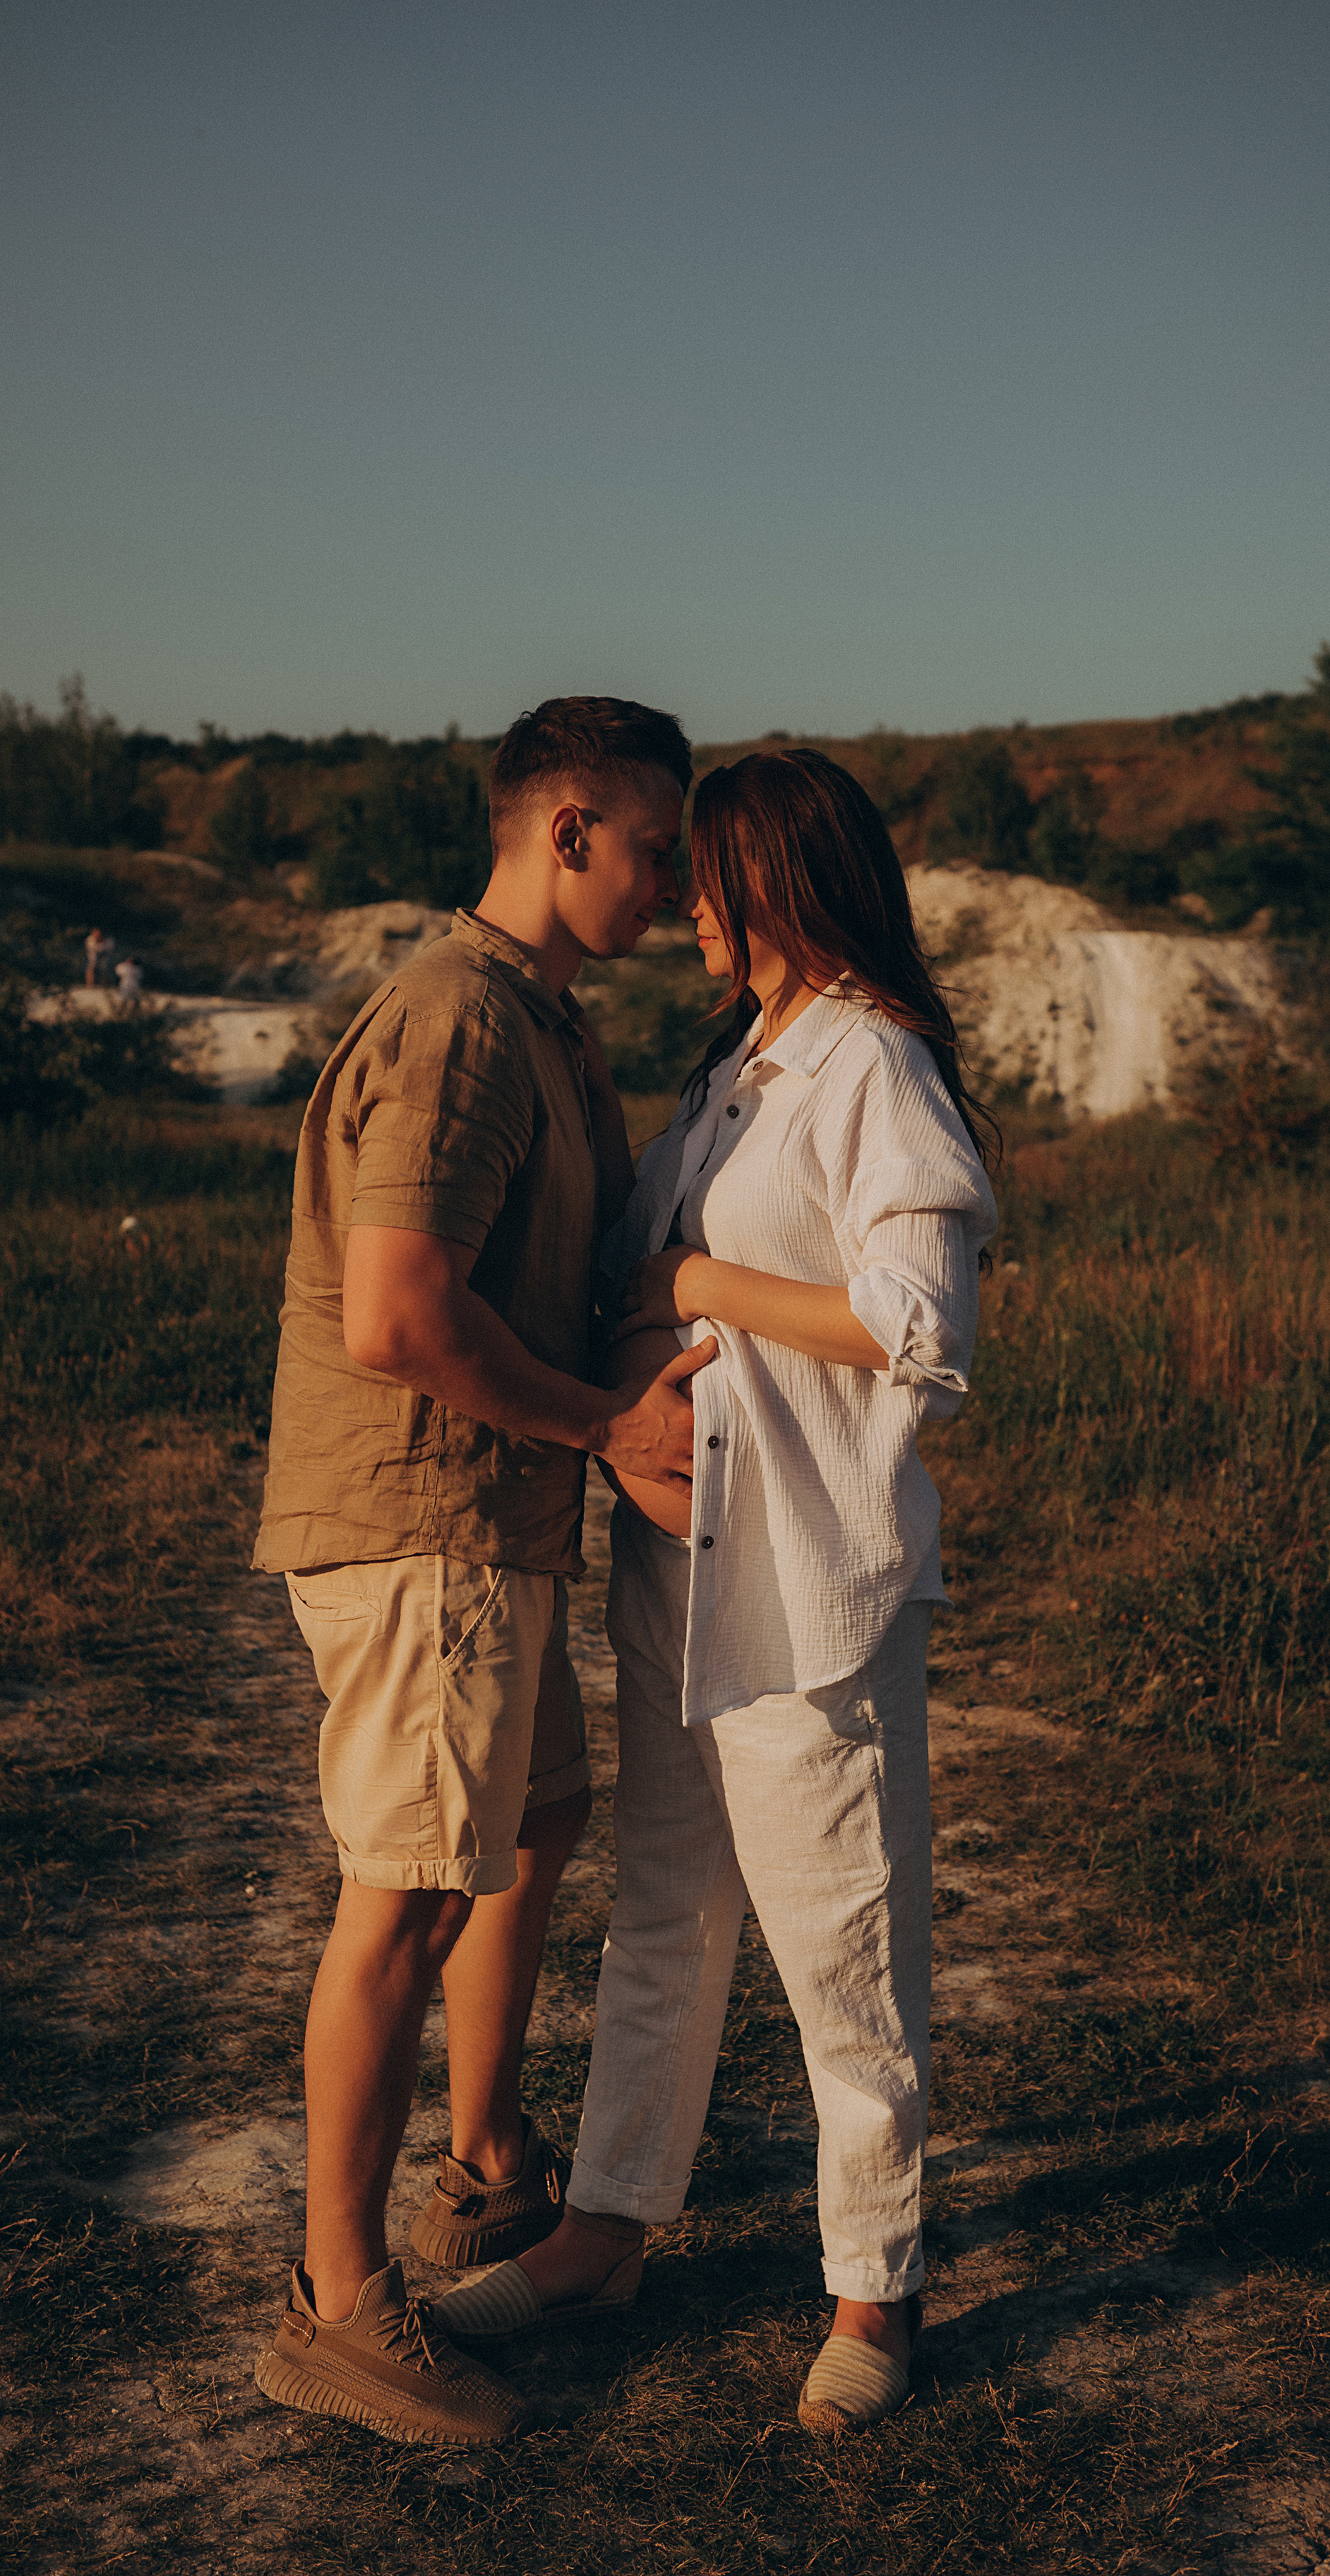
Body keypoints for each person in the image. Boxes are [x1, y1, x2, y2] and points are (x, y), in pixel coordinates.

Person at [434, 750, 1000, 2434]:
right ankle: (604, 2225)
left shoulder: (871, 1063)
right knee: (663, 1909)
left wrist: (697, 1279)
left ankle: (873, 2287)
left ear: (778, 877)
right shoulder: (729, 1073)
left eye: (707, 869)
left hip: (807, 1576)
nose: (679, 895)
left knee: (843, 1941)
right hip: (676, 1566)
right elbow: (635, 1292)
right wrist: (635, 1371)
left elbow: (917, 1325)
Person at [250, 697, 718, 2447]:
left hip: (489, 1522)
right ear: (568, 826)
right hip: (421, 1518)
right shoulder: (458, 1023)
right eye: (657, 847)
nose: (674, 888)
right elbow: (397, 1314)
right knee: (412, 1887)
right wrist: (605, 1424)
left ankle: (485, 2167)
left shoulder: (542, 1022)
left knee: (523, 1832)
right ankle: (339, 2301)